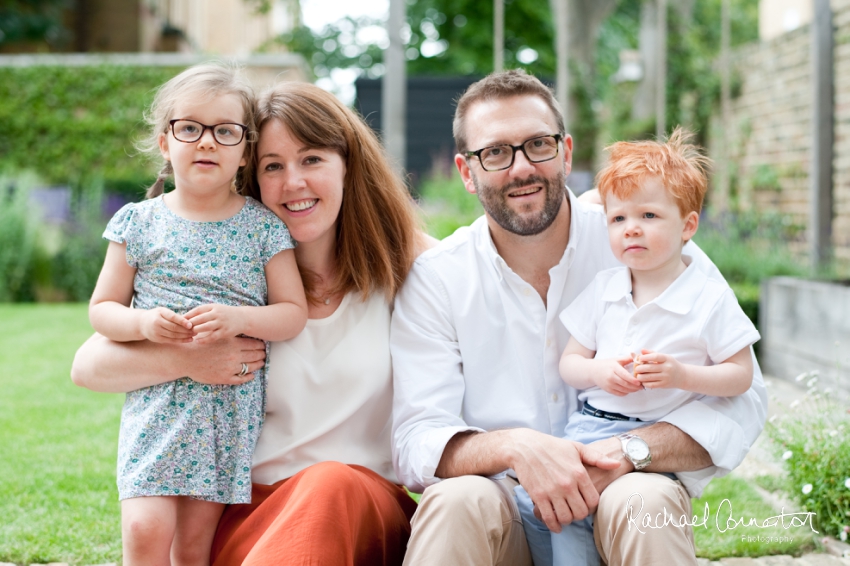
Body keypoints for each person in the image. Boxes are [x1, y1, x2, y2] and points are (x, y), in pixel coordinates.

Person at [390, 69, 768, 566]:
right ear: (466, 172)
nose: (521, 168)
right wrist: (519, 449)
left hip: (622, 494)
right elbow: (417, 438)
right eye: (496, 153)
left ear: (566, 152)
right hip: (503, 510)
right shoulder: (438, 279)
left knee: (646, 499)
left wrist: (628, 453)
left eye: (538, 145)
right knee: (453, 500)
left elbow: (744, 401)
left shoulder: (648, 242)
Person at [72, 80, 424, 565]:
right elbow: (86, 366)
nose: (293, 182)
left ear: (349, 165)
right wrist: (189, 356)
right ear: (252, 175)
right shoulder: (233, 274)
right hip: (246, 508)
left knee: (330, 483)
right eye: (273, 166)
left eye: (313, 159)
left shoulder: (407, 267)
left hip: (359, 503)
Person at [87, 62, 309, 566]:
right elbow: (102, 310)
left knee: (193, 547)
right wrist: (143, 325)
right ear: (166, 142)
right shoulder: (138, 223)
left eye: (225, 131)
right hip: (156, 407)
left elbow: (292, 313)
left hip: (224, 413)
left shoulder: (263, 228)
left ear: (245, 150)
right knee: (145, 529)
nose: (206, 142)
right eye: (190, 128)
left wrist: (239, 318)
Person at [514, 128, 761, 566]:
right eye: (618, 219)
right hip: (589, 428)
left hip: (653, 443)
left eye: (649, 216)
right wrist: (599, 371)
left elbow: (740, 376)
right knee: (550, 509)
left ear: (687, 226)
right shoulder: (604, 288)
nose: (632, 230)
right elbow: (571, 362)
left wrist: (684, 375)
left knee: (610, 507)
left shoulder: (706, 296)